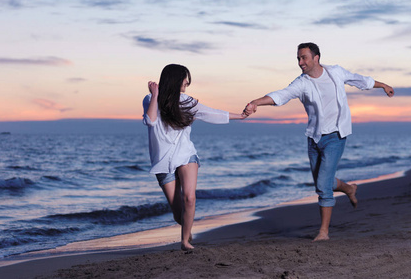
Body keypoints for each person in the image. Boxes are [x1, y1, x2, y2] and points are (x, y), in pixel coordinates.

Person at [244, 42, 394, 241]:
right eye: (298, 58)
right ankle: (349, 188)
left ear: (316, 58)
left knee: (323, 186)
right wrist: (256, 102)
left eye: (303, 57)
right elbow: (282, 95)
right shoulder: (302, 83)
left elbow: (360, 80)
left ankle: (323, 232)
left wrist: (383, 85)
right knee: (324, 182)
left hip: (336, 136)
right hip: (314, 138)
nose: (300, 62)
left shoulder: (335, 73)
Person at [142, 64, 247, 250]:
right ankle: (186, 231)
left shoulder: (188, 101)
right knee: (177, 213)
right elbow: (150, 121)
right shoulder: (150, 99)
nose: (187, 82)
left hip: (186, 154)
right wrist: (156, 95)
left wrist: (241, 116)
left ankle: (184, 242)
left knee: (189, 198)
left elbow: (211, 113)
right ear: (175, 79)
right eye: (185, 78)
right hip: (162, 161)